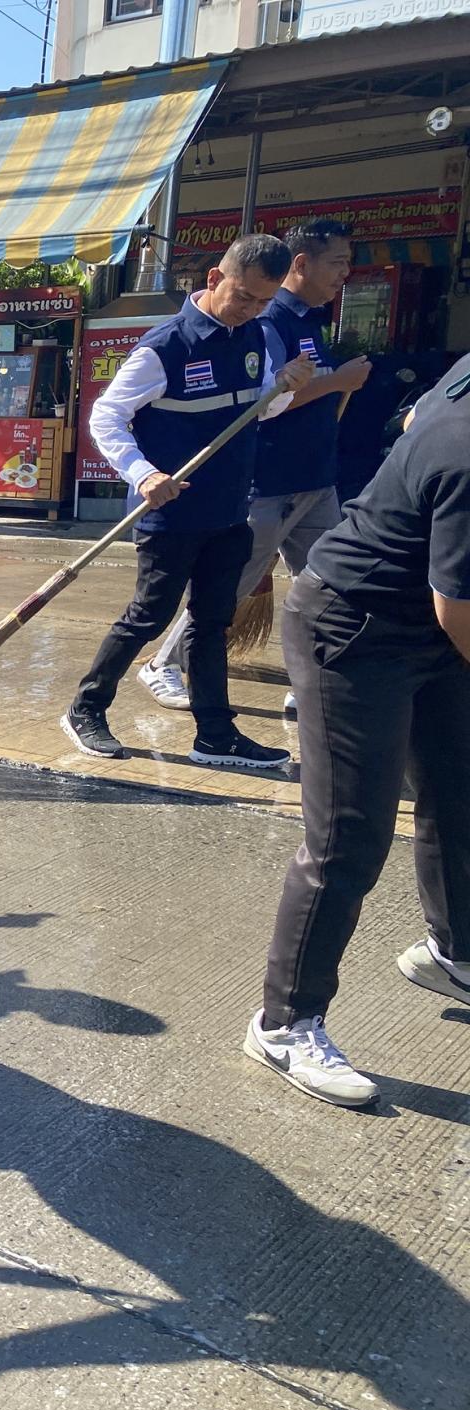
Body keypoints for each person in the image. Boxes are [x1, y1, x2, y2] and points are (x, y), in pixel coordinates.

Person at [243, 356, 470, 1107]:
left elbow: (413, 417)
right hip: (352, 626)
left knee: (459, 792)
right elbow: (458, 610)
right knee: (348, 836)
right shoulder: (468, 452)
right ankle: (284, 1023)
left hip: (427, 624)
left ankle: (455, 954)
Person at [61, 233, 314, 770]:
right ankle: (85, 709)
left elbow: (259, 409)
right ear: (215, 279)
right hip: (171, 514)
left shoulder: (255, 336)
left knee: (212, 623)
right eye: (243, 296)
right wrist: (143, 473)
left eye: (264, 301)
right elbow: (106, 416)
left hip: (230, 511)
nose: (251, 309)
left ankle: (215, 735)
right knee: (148, 618)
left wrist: (285, 387)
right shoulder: (166, 347)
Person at [137, 220, 371, 715]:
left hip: (315, 478)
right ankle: (164, 663)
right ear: (301, 264)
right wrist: (336, 382)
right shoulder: (268, 323)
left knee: (327, 583)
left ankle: (312, 682)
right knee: (231, 585)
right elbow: (266, 402)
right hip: (269, 480)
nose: (344, 274)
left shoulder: (308, 319)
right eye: (337, 262)